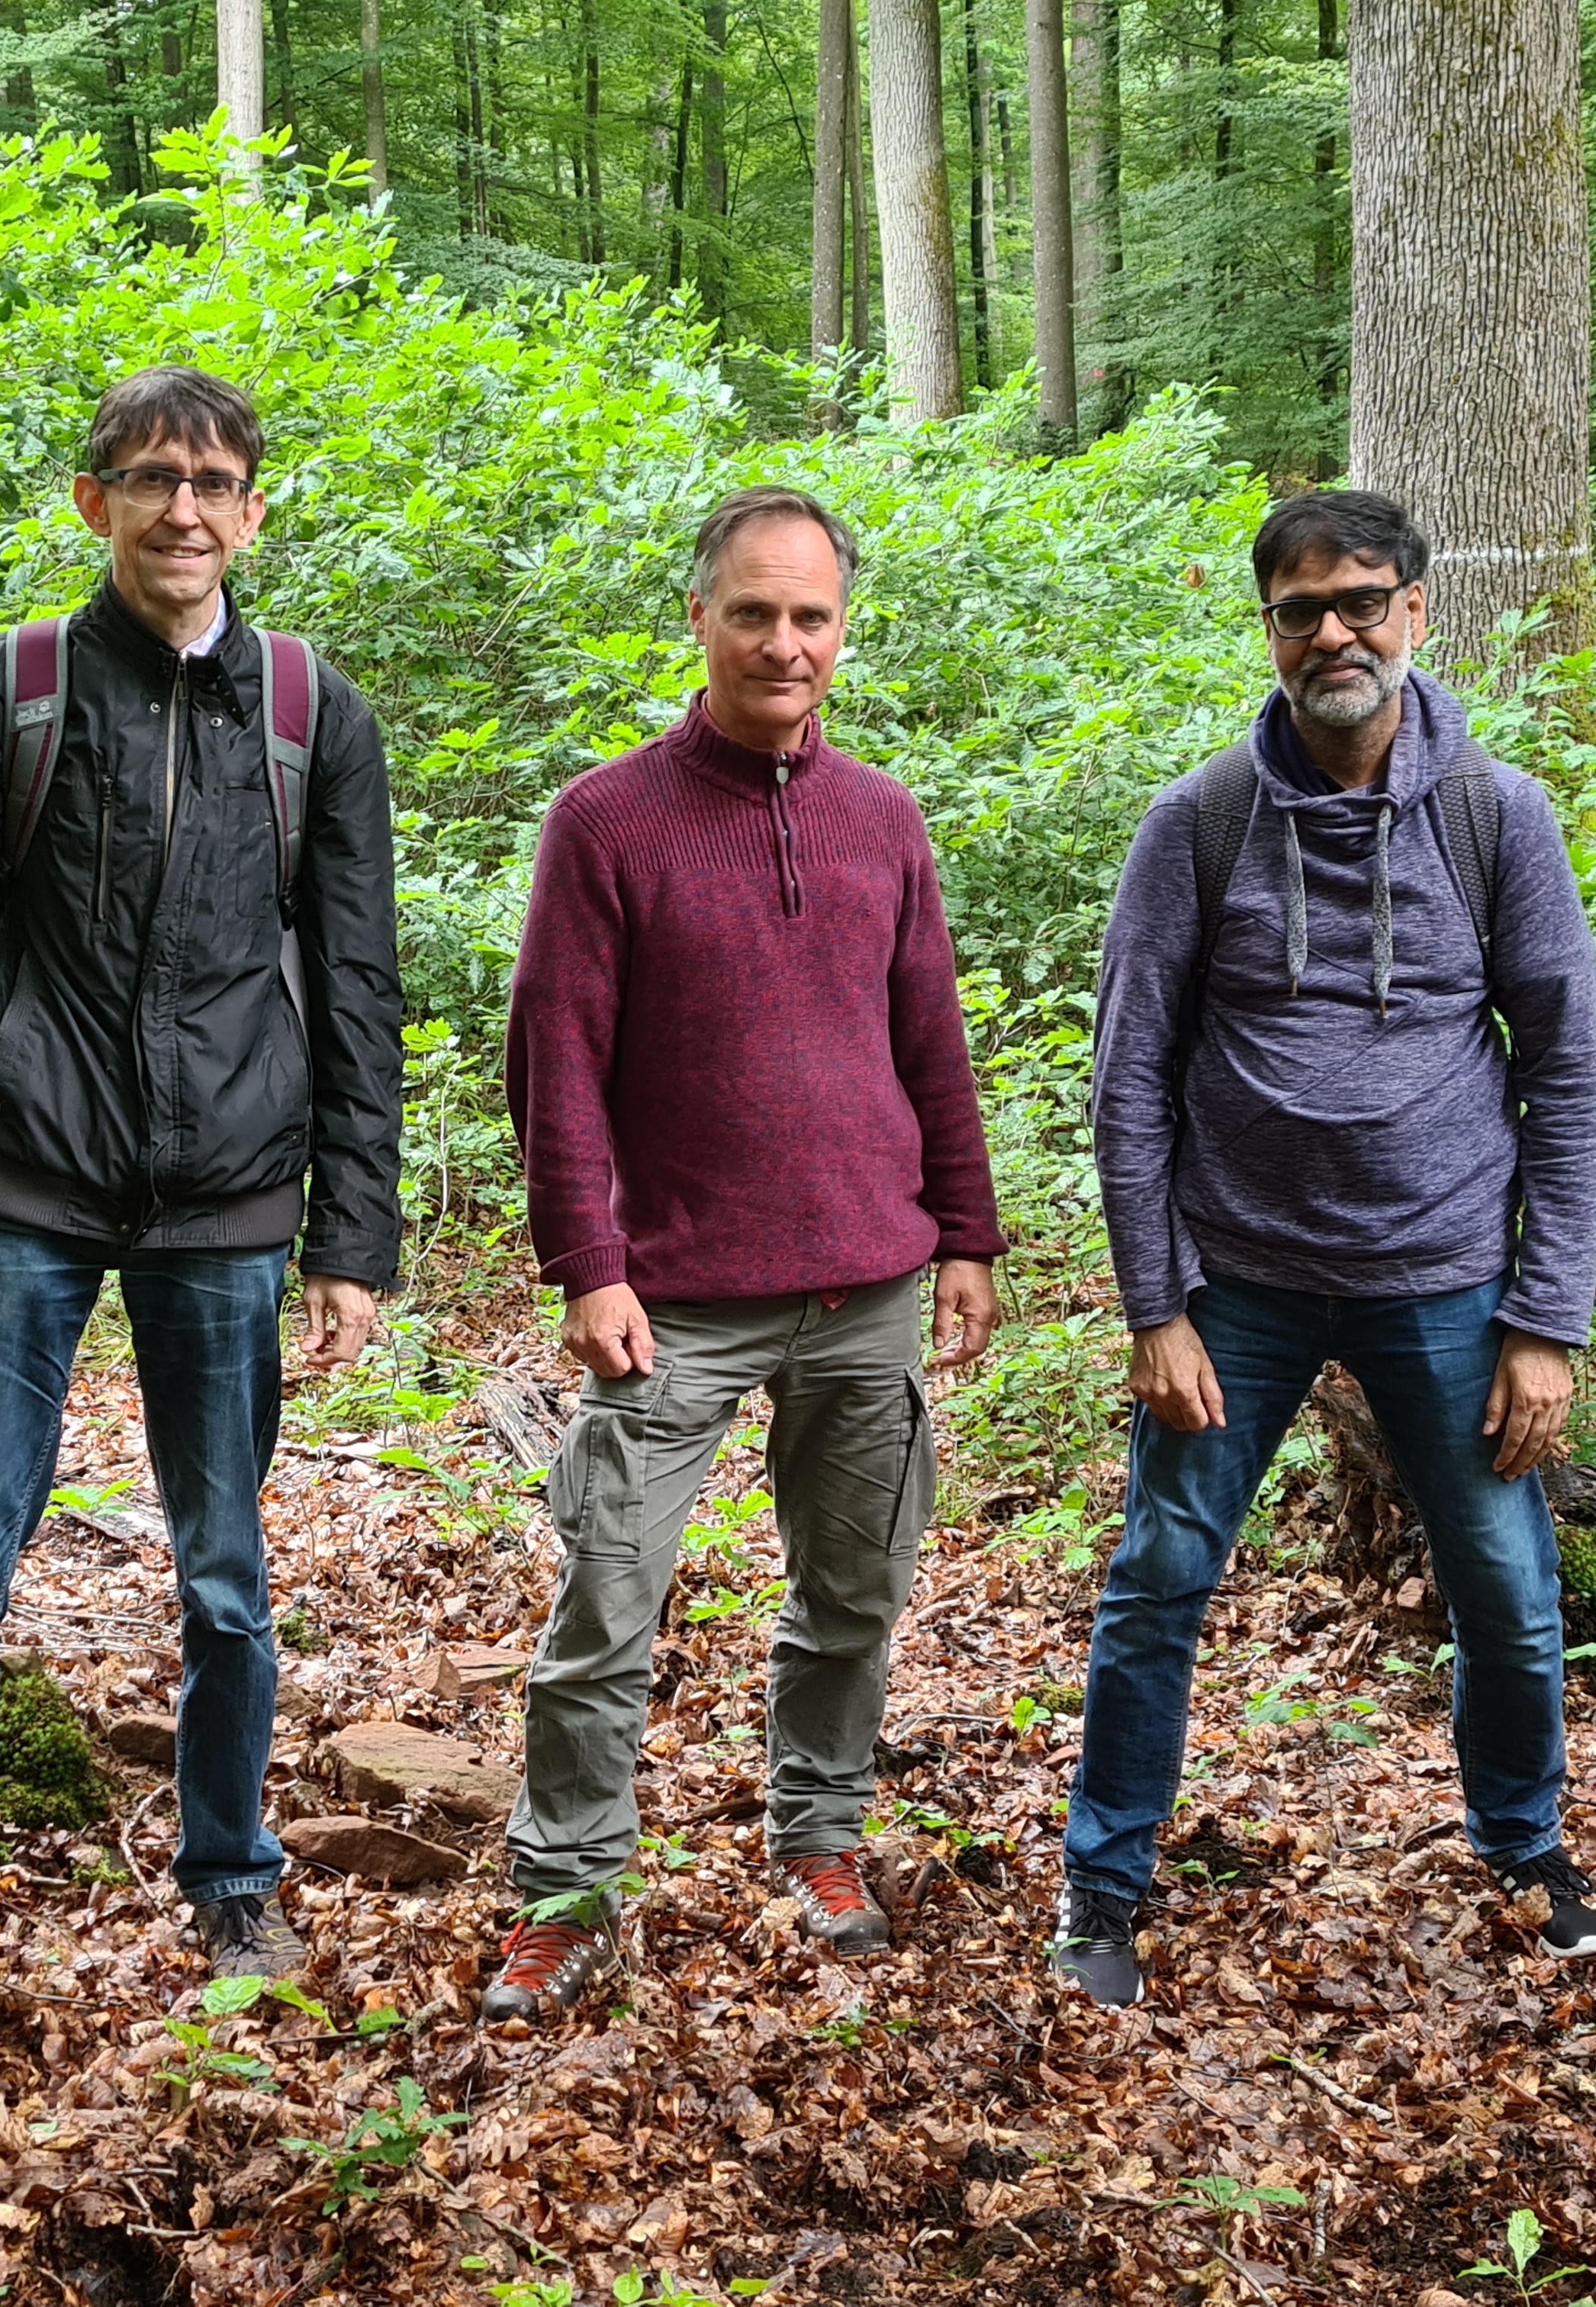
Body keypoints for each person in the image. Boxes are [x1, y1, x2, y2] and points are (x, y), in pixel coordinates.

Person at [0, 365, 402, 2083]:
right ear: (94, 501)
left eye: (217, 481)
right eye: (152, 479)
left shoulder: (315, 715)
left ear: (253, 509)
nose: (185, 509)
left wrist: (353, 1237)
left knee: (226, 1585)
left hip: (231, 1209)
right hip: (15, 1202)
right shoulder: (0, 695)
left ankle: (235, 1881)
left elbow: (361, 992)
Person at [1053, 487, 1596, 2007]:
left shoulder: (1498, 818)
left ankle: (1527, 1850)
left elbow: (1565, 1073)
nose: (1334, 633)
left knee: (1504, 1585)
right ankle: (1104, 1887)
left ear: (1418, 614)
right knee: (1160, 1577)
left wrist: (1547, 1319)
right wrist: (1153, 1305)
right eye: (1302, 609)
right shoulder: (1201, 824)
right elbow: (1127, 1078)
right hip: (1236, 1287)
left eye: (1363, 600)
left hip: (1445, 1284)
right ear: (1271, 631)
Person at [484, 485, 1006, 2025]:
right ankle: (567, 1891)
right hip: (674, 1302)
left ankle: (820, 1836)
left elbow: (932, 1041)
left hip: (869, 1289)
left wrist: (968, 1233)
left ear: (842, 632)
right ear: (700, 620)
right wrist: (590, 1261)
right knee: (609, 1606)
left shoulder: (884, 818)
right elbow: (556, 1064)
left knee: (855, 1594)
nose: (786, 643)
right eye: (756, 613)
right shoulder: (607, 820)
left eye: (814, 617)